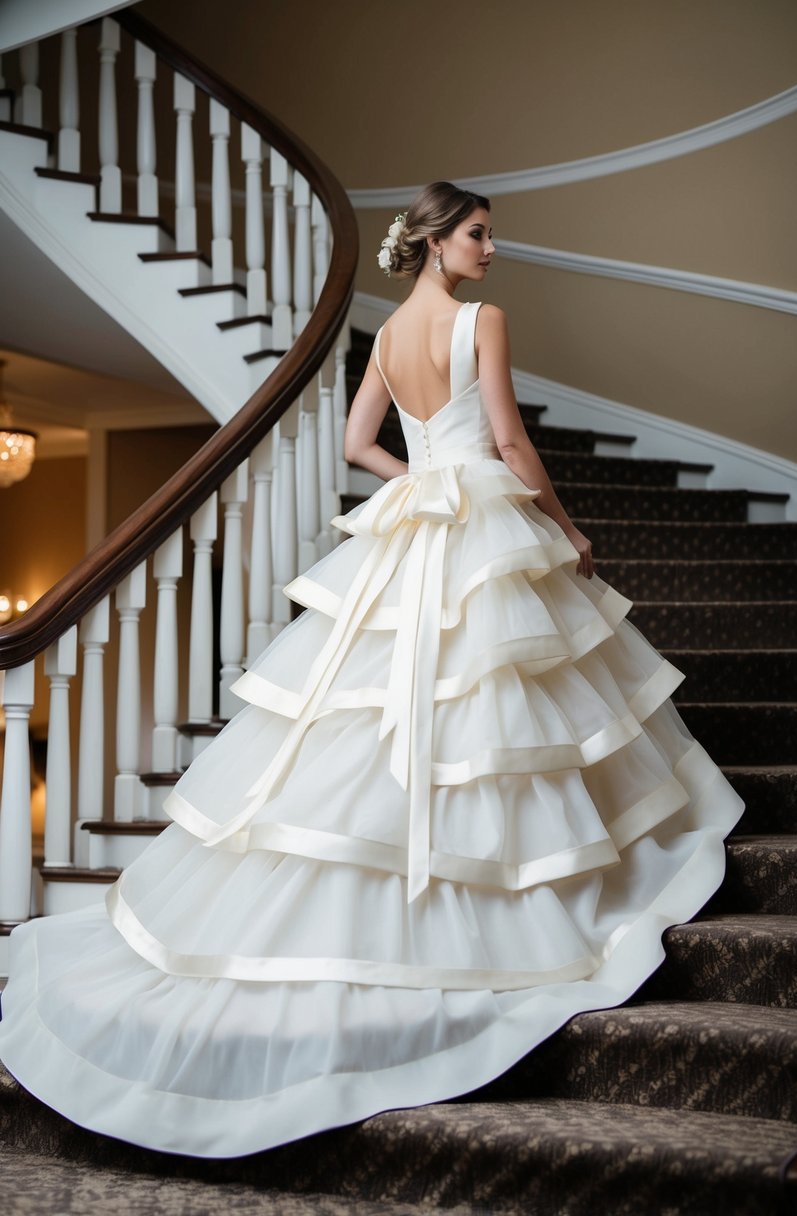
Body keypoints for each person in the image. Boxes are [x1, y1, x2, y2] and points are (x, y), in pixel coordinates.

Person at [0, 181, 744, 1159]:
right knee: (499, 703)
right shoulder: (481, 318)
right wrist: (561, 524)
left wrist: (421, 482)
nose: (491, 247)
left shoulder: (389, 337)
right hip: (478, 524)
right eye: (478, 233)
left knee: (379, 709)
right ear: (435, 241)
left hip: (417, 523)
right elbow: (512, 438)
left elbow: (359, 446)